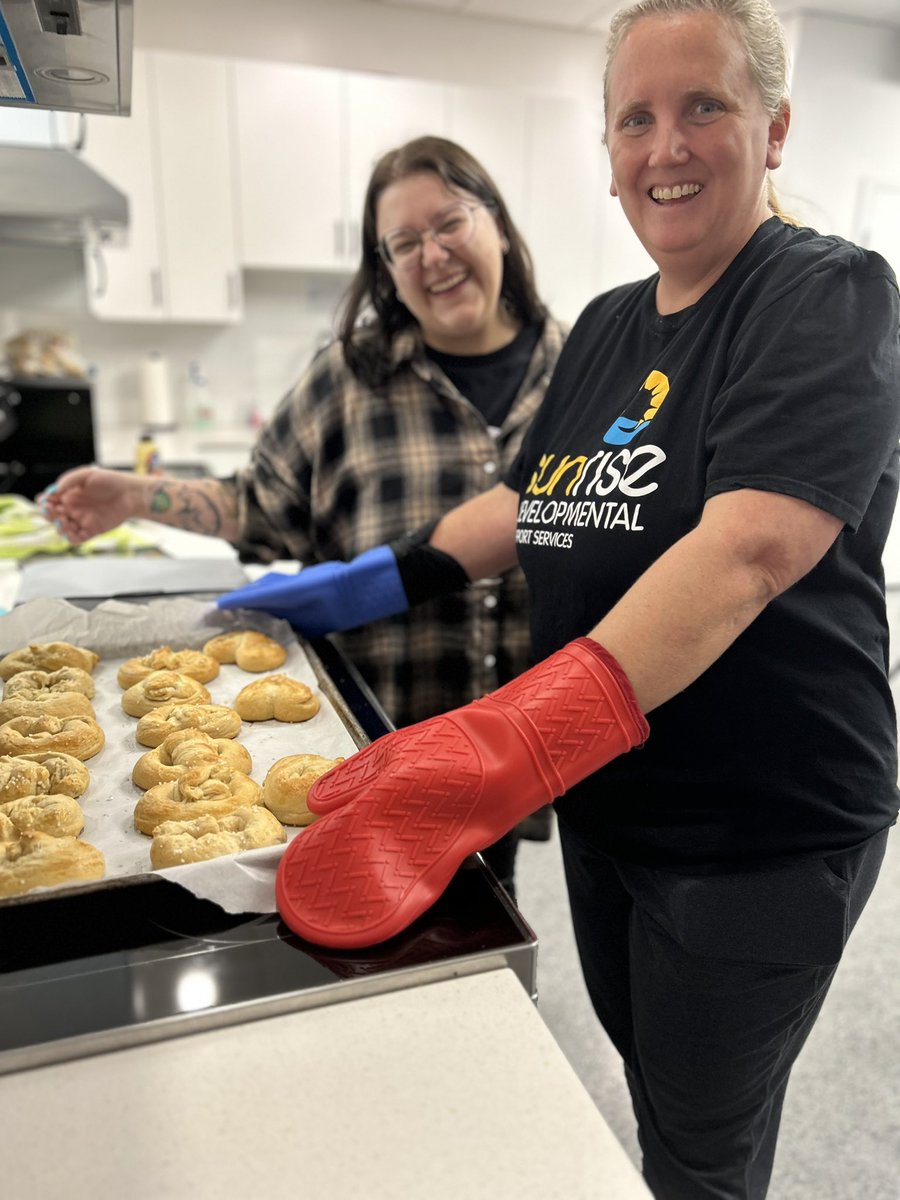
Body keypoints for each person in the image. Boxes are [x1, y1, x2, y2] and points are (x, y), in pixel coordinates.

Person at [209, 2, 900, 1197]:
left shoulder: (824, 296)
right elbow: (528, 503)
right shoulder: (612, 329)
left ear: (776, 129)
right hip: (611, 805)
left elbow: (748, 552)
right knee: (654, 1081)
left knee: (700, 1148)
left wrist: (505, 742)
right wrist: (351, 588)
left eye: (704, 108)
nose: (664, 147)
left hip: (759, 830)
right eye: (634, 117)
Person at [39, 135, 568, 896]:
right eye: (403, 243)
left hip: (517, 747)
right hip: (375, 735)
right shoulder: (348, 382)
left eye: (449, 223)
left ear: (498, 225)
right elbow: (256, 505)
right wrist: (133, 496)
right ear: (385, 270)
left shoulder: (584, 369)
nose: (432, 255)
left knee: (488, 904)